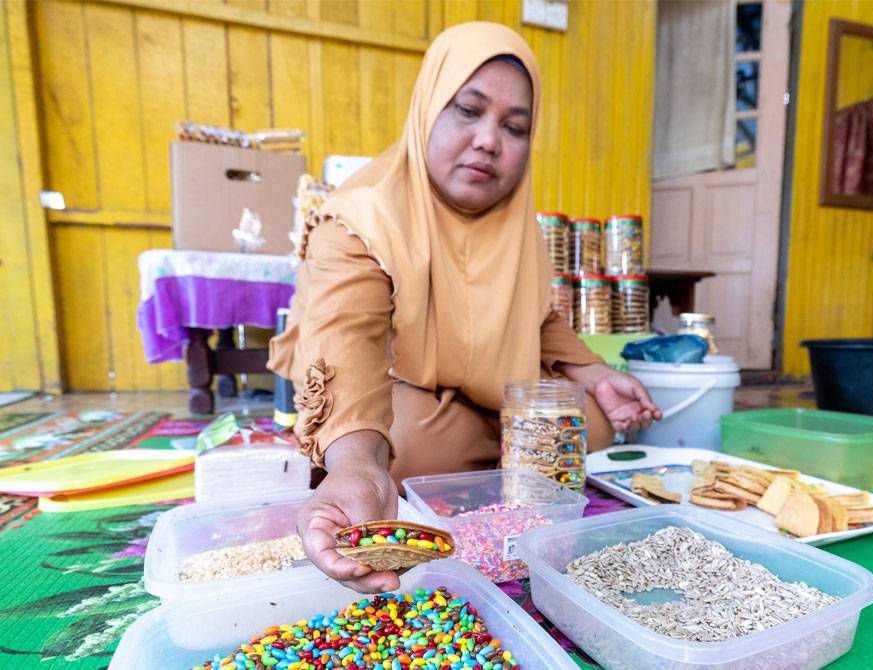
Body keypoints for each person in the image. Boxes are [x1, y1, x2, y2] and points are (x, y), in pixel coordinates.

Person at [267, 21, 661, 593]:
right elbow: (346, 337)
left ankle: (489, 449)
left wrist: (595, 373)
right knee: (411, 441)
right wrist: (356, 465)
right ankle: (467, 455)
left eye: (515, 126)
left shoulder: (515, 225)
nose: (488, 141)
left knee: (585, 419)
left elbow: (535, 317)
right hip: (400, 389)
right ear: (428, 110)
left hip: (488, 394)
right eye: (468, 111)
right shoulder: (361, 218)